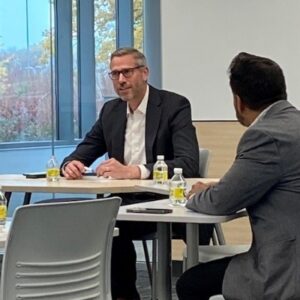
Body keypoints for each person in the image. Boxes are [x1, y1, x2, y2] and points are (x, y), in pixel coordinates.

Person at [61, 47, 213, 300]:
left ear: (144, 73)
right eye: (115, 74)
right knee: (106, 223)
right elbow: (84, 150)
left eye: (127, 72)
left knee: (115, 221)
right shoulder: (111, 111)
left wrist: (135, 171)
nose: (121, 80)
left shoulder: (174, 105)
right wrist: (71, 164)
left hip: (168, 201)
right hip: (126, 203)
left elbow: (188, 164)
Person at [176, 52, 300, 300]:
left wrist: (197, 193)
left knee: (190, 283)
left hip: (286, 268)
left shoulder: (264, 136)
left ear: (238, 101)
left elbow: (221, 201)